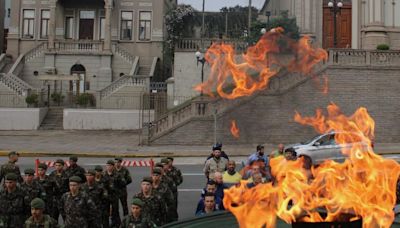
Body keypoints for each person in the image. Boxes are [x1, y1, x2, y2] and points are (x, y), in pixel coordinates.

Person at [103, 160, 124, 227]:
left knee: (115, 212)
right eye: (107, 165)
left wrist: (117, 191)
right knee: (105, 212)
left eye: (110, 165)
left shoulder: (118, 175)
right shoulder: (103, 174)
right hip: (106, 197)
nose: (109, 167)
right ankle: (105, 225)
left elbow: (122, 184)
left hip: (114, 196)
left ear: (113, 166)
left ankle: (115, 225)